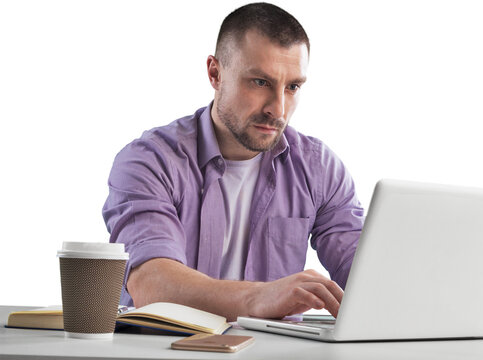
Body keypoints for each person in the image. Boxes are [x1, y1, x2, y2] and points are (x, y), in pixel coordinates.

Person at [102, 2, 364, 322]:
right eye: (260, 82)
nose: (278, 110)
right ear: (215, 73)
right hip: (167, 351)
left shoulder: (319, 169)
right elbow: (152, 283)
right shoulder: (149, 161)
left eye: (293, 86)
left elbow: (369, 276)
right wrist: (259, 296)